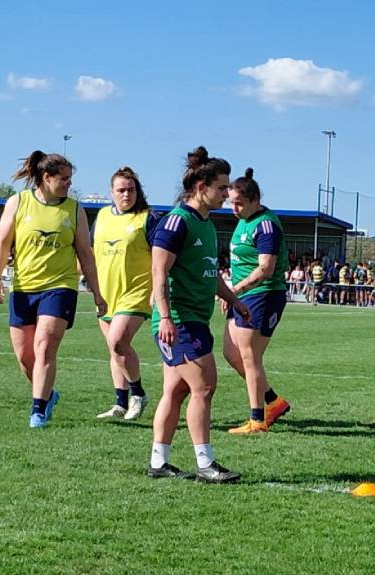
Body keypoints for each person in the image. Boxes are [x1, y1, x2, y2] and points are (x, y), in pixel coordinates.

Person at [147, 146, 247, 483]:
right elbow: (159, 273)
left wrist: (233, 299)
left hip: (195, 320)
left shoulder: (205, 223)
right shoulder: (177, 222)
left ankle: (158, 463)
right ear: (201, 186)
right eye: (222, 187)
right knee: (204, 386)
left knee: (176, 392)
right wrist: (165, 318)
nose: (227, 193)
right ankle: (206, 464)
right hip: (178, 321)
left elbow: (210, 272)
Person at [0, 150, 107, 429]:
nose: (69, 184)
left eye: (70, 179)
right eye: (63, 178)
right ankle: (49, 395)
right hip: (23, 288)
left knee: (44, 346)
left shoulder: (74, 209)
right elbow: (3, 244)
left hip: (60, 286)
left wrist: (98, 292)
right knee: (24, 357)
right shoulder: (18, 203)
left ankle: (38, 410)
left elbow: (86, 254)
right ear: (46, 177)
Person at [222, 168, 293, 434]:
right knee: (231, 353)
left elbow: (265, 269)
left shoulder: (266, 224)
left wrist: (234, 290)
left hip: (262, 294)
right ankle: (274, 402)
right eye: (231, 202)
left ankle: (257, 419)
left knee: (250, 356)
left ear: (255, 200)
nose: (234, 208)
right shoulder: (244, 221)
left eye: (239, 203)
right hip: (242, 295)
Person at [92, 167, 160, 420]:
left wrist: (157, 288)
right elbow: (89, 252)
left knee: (118, 342)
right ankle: (120, 404)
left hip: (136, 292)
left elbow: (161, 257)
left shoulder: (148, 218)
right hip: (106, 293)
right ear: (111, 192)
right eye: (121, 190)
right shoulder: (101, 216)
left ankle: (138, 394)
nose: (126, 194)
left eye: (131, 189)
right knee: (114, 350)